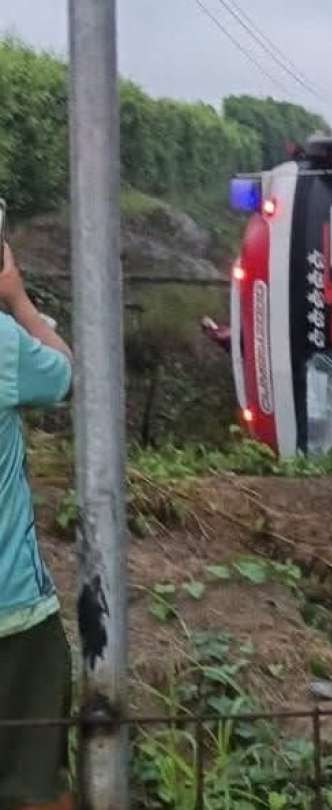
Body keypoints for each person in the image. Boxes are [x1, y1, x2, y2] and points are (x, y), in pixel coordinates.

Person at [0, 243, 74, 810]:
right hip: (15, 614)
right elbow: (64, 373)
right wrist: (17, 298)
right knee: (34, 787)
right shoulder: (3, 346)